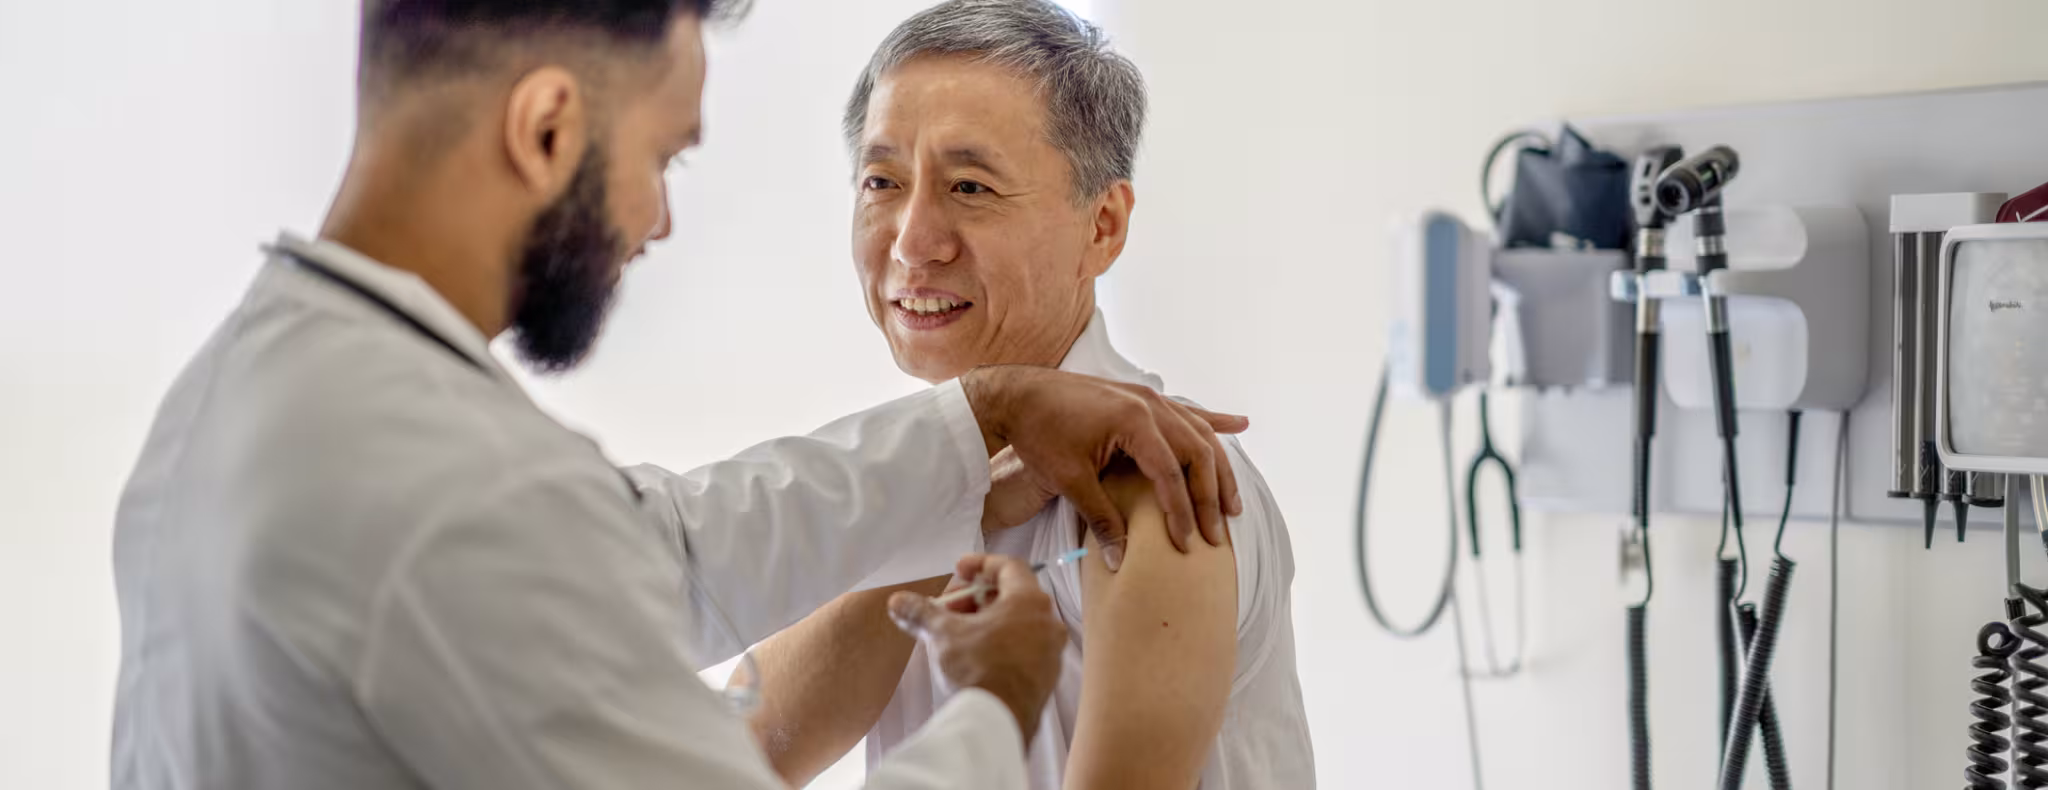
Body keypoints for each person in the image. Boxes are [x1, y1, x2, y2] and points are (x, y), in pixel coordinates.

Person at [108, 2, 1253, 788]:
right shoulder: (446, 491)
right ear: (547, 128)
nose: (657, 221)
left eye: (969, 184)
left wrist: (982, 420)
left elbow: (664, 543)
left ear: (1103, 224)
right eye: (662, 155)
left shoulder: (244, 395)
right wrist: (992, 701)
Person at [738, 2, 1315, 788]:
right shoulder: (908, 490)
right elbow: (728, 758)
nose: (912, 242)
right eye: (882, 181)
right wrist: (954, 505)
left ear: (1103, 227)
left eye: (970, 187)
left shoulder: (1163, 483)